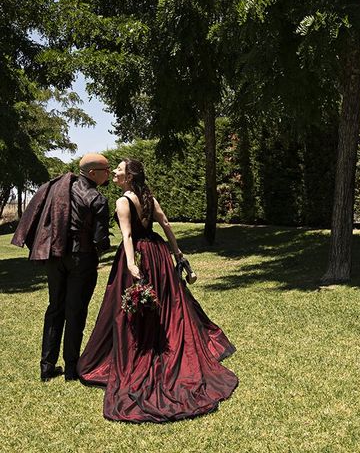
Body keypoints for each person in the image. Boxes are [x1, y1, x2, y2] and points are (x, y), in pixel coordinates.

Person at [78, 158, 237, 423]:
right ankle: (161, 339)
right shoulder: (148, 197)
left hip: (140, 256)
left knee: (135, 308)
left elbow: (128, 236)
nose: (114, 173)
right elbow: (166, 225)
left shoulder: (122, 202)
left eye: (119, 169)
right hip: (158, 254)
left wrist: (130, 263)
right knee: (166, 304)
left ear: (129, 176)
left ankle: (143, 348)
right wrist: (177, 254)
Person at [11, 153, 111, 381]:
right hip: (81, 259)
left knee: (55, 308)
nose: (109, 173)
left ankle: (47, 367)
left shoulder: (61, 188)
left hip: (55, 255)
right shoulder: (97, 199)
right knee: (75, 311)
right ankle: (71, 370)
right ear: (93, 173)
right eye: (106, 169)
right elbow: (100, 241)